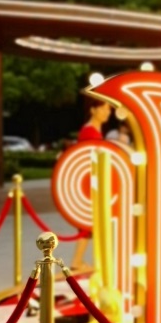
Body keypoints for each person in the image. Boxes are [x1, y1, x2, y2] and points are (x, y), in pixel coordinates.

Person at [71, 99, 112, 270]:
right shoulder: (89, 131)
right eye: (103, 108)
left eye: (108, 109)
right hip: (90, 181)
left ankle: (80, 260)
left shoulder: (94, 130)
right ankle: (78, 261)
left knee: (92, 222)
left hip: (93, 179)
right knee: (90, 221)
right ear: (93, 110)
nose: (107, 112)